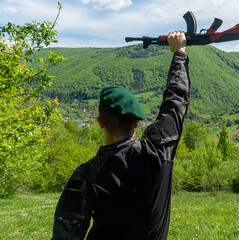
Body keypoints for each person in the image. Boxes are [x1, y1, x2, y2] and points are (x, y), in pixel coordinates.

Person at [52, 31, 190, 240]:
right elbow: (176, 101)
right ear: (136, 122)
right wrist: (179, 52)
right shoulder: (158, 151)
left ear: (100, 123)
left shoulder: (86, 176)